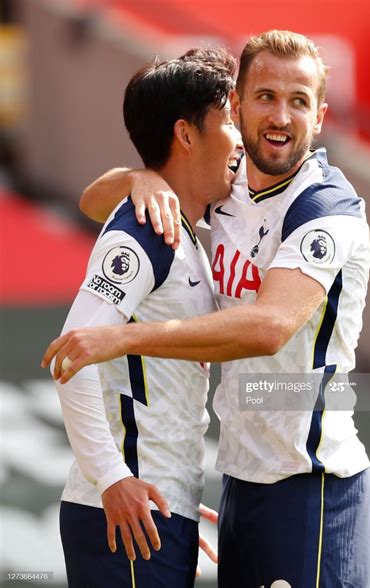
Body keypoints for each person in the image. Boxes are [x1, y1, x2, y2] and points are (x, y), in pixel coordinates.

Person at [43, 30, 370, 587]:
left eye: (299, 101)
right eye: (265, 96)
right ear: (238, 105)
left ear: (319, 117)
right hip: (236, 484)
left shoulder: (326, 208)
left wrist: (124, 338)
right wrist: (140, 177)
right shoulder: (224, 187)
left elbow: (269, 328)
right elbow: (93, 200)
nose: (280, 115)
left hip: (311, 481)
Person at [47, 48, 239, 587]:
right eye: (229, 121)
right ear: (186, 134)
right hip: (126, 513)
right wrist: (114, 480)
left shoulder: (178, 226)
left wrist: (174, 491)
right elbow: (71, 353)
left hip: (157, 508)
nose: (241, 141)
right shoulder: (147, 229)